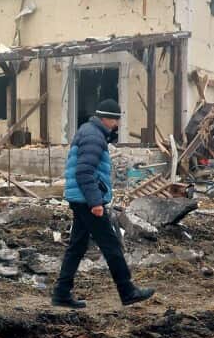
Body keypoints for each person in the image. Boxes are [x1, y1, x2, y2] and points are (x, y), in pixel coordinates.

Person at [52, 99, 154, 308]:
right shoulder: (93, 137)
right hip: (87, 200)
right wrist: (95, 202)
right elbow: (84, 172)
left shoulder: (89, 132)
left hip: (80, 198)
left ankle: (61, 293)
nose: (117, 124)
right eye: (116, 120)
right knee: (111, 245)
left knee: (77, 246)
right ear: (106, 118)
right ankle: (127, 291)